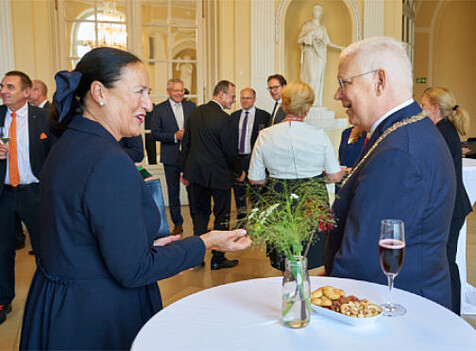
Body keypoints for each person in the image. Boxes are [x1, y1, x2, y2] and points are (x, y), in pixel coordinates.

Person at [19, 47, 251, 350]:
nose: (148, 105)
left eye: (150, 92)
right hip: (96, 315)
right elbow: (134, 270)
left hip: (56, 303)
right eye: (139, 91)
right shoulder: (109, 161)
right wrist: (206, 242)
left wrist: (141, 246)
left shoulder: (69, 144)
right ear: (99, 92)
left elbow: (79, 234)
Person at [324, 37, 456, 309]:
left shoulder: (399, 152)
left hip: (394, 307)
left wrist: (326, 298)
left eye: (343, 83)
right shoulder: (403, 131)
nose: (337, 95)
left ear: (379, 81)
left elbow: (364, 258)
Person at [248, 81, 342, 271]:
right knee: (312, 253)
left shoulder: (265, 135)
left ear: (284, 104)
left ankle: (288, 290)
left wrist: (277, 175)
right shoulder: (319, 135)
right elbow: (335, 177)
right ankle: (307, 293)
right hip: (313, 197)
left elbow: (255, 179)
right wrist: (316, 176)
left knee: (284, 255)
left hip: (278, 195)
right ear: (307, 107)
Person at [0, 71, 55, 325]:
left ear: (26, 92)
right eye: (2, 87)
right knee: (2, 251)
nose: (4, 91)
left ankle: (50, 297)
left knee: (45, 247)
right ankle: (3, 299)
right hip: (3, 195)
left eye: (10, 87)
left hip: (34, 193)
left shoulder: (43, 118)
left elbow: (56, 155)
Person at [182, 80, 245, 270]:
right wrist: (239, 171)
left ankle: (197, 258)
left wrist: (184, 170)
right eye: (232, 96)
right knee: (221, 217)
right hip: (219, 176)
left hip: (195, 174)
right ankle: (218, 258)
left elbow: (186, 143)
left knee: (199, 216)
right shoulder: (224, 119)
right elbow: (230, 151)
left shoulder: (195, 112)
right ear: (221, 95)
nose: (234, 101)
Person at [421, 87, 472, 314]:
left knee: (447, 263)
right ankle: (453, 312)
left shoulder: (440, 132)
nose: (421, 111)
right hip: (455, 206)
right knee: (447, 261)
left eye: (423, 106)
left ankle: (452, 314)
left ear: (434, 108)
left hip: (451, 208)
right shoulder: (445, 130)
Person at [151, 79, 196, 235]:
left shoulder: (191, 106)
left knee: (194, 192)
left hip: (190, 156)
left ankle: (198, 223)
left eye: (182, 90)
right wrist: (174, 136)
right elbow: (155, 133)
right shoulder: (160, 109)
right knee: (173, 192)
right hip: (170, 157)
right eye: (176, 91)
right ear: (168, 91)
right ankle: (178, 223)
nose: (179, 93)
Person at [231, 88, 270, 220]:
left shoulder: (264, 116)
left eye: (248, 98)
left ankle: (257, 221)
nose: (245, 101)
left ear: (254, 99)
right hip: (239, 159)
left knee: (257, 192)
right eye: (242, 98)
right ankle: (241, 221)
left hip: (255, 159)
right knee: (239, 192)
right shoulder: (234, 116)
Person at [298, 5, 344, 106]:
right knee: (311, 78)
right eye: (314, 9)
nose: (316, 11)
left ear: (321, 13)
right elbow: (300, 40)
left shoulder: (323, 29)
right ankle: (308, 101)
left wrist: (340, 47)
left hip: (320, 56)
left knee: (318, 78)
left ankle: (316, 101)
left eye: (319, 10)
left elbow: (328, 42)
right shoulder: (307, 26)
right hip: (310, 54)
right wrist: (309, 35)